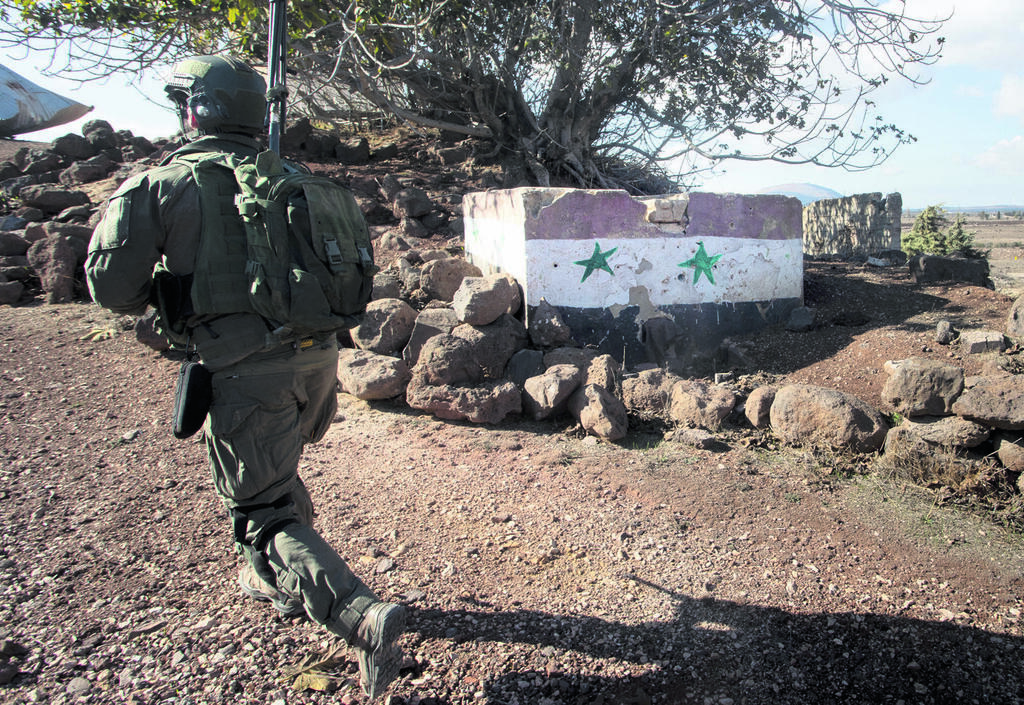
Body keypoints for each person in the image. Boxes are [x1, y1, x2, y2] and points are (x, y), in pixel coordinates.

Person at [84, 55, 405, 701]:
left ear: (195, 109)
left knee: (257, 506)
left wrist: (168, 300)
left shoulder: (164, 183)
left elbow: (110, 288)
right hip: (318, 363)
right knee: (272, 469)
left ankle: (358, 613)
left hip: (246, 367)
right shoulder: (298, 181)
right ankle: (272, 578)